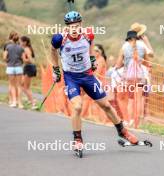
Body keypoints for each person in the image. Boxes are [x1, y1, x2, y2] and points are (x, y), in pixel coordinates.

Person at [50, 11, 139, 150]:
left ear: (81, 25)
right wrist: (55, 69)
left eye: (76, 26)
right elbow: (52, 51)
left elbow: (90, 45)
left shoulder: (88, 34)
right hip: (71, 77)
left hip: (87, 75)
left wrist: (92, 59)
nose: (74, 29)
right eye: (71, 26)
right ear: (66, 27)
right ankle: (77, 139)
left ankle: (123, 131)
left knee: (106, 106)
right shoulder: (59, 39)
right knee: (77, 106)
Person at [116, 30, 150, 128]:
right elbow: (147, 63)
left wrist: (124, 63)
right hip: (139, 76)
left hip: (129, 77)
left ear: (128, 38)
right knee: (138, 100)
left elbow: (118, 64)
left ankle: (130, 120)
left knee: (131, 99)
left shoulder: (124, 47)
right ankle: (137, 123)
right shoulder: (142, 47)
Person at [3, 31, 25, 108]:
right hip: (19, 67)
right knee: (19, 86)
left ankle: (14, 102)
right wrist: (20, 62)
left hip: (10, 67)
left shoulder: (8, 47)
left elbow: (4, 57)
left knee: (12, 85)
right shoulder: (21, 47)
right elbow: (23, 59)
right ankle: (20, 103)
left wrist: (8, 61)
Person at [20, 36, 37, 109]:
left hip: (29, 67)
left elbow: (30, 60)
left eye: (21, 41)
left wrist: (23, 59)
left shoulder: (26, 49)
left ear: (25, 42)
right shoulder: (26, 48)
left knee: (25, 87)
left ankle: (33, 103)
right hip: (28, 67)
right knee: (22, 85)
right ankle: (30, 99)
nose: (20, 43)